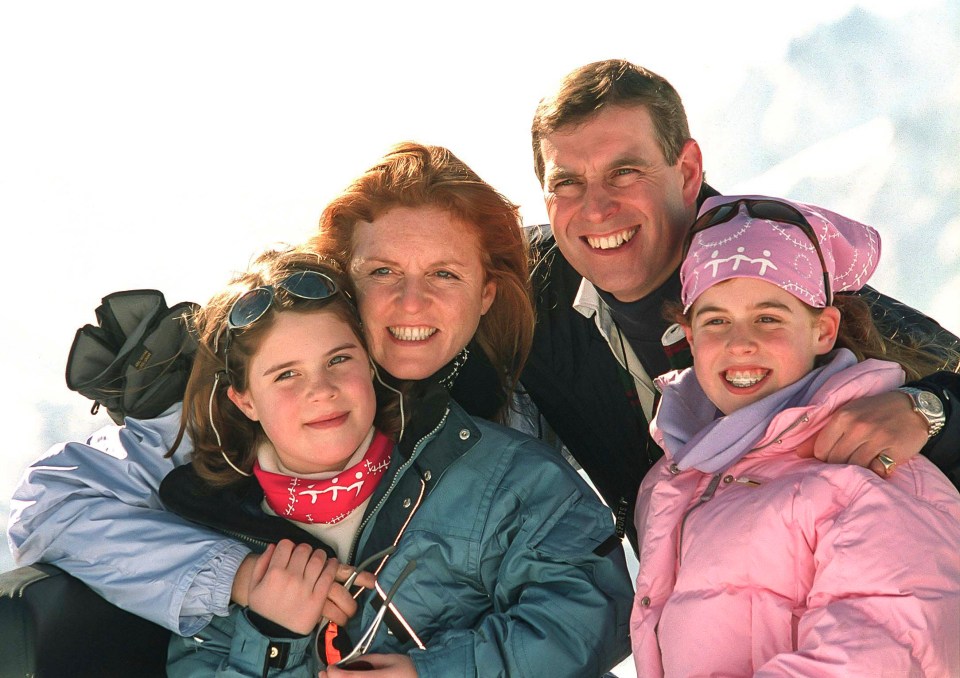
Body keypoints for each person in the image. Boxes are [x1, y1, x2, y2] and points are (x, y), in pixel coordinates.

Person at [7, 144, 633, 671]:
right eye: (384, 272)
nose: (411, 304)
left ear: (486, 291)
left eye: (444, 275)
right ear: (344, 280)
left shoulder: (506, 446)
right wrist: (245, 586)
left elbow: (586, 603)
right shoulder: (222, 439)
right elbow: (49, 503)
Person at [518, 59, 960, 549]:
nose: (596, 208)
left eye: (624, 172)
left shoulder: (769, 260)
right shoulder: (527, 294)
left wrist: (928, 408)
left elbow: (945, 364)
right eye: (567, 182)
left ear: (686, 171)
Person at [159, 247, 630, 676]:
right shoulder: (217, 540)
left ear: (369, 360)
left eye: (339, 360)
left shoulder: (504, 474)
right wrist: (268, 635)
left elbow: (593, 615)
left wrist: (435, 672)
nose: (321, 390)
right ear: (244, 400)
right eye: (286, 375)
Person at [629, 195, 960, 676]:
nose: (740, 342)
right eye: (716, 320)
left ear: (823, 330)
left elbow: (884, 647)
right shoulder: (678, 475)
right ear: (690, 337)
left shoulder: (871, 466)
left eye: (769, 317)